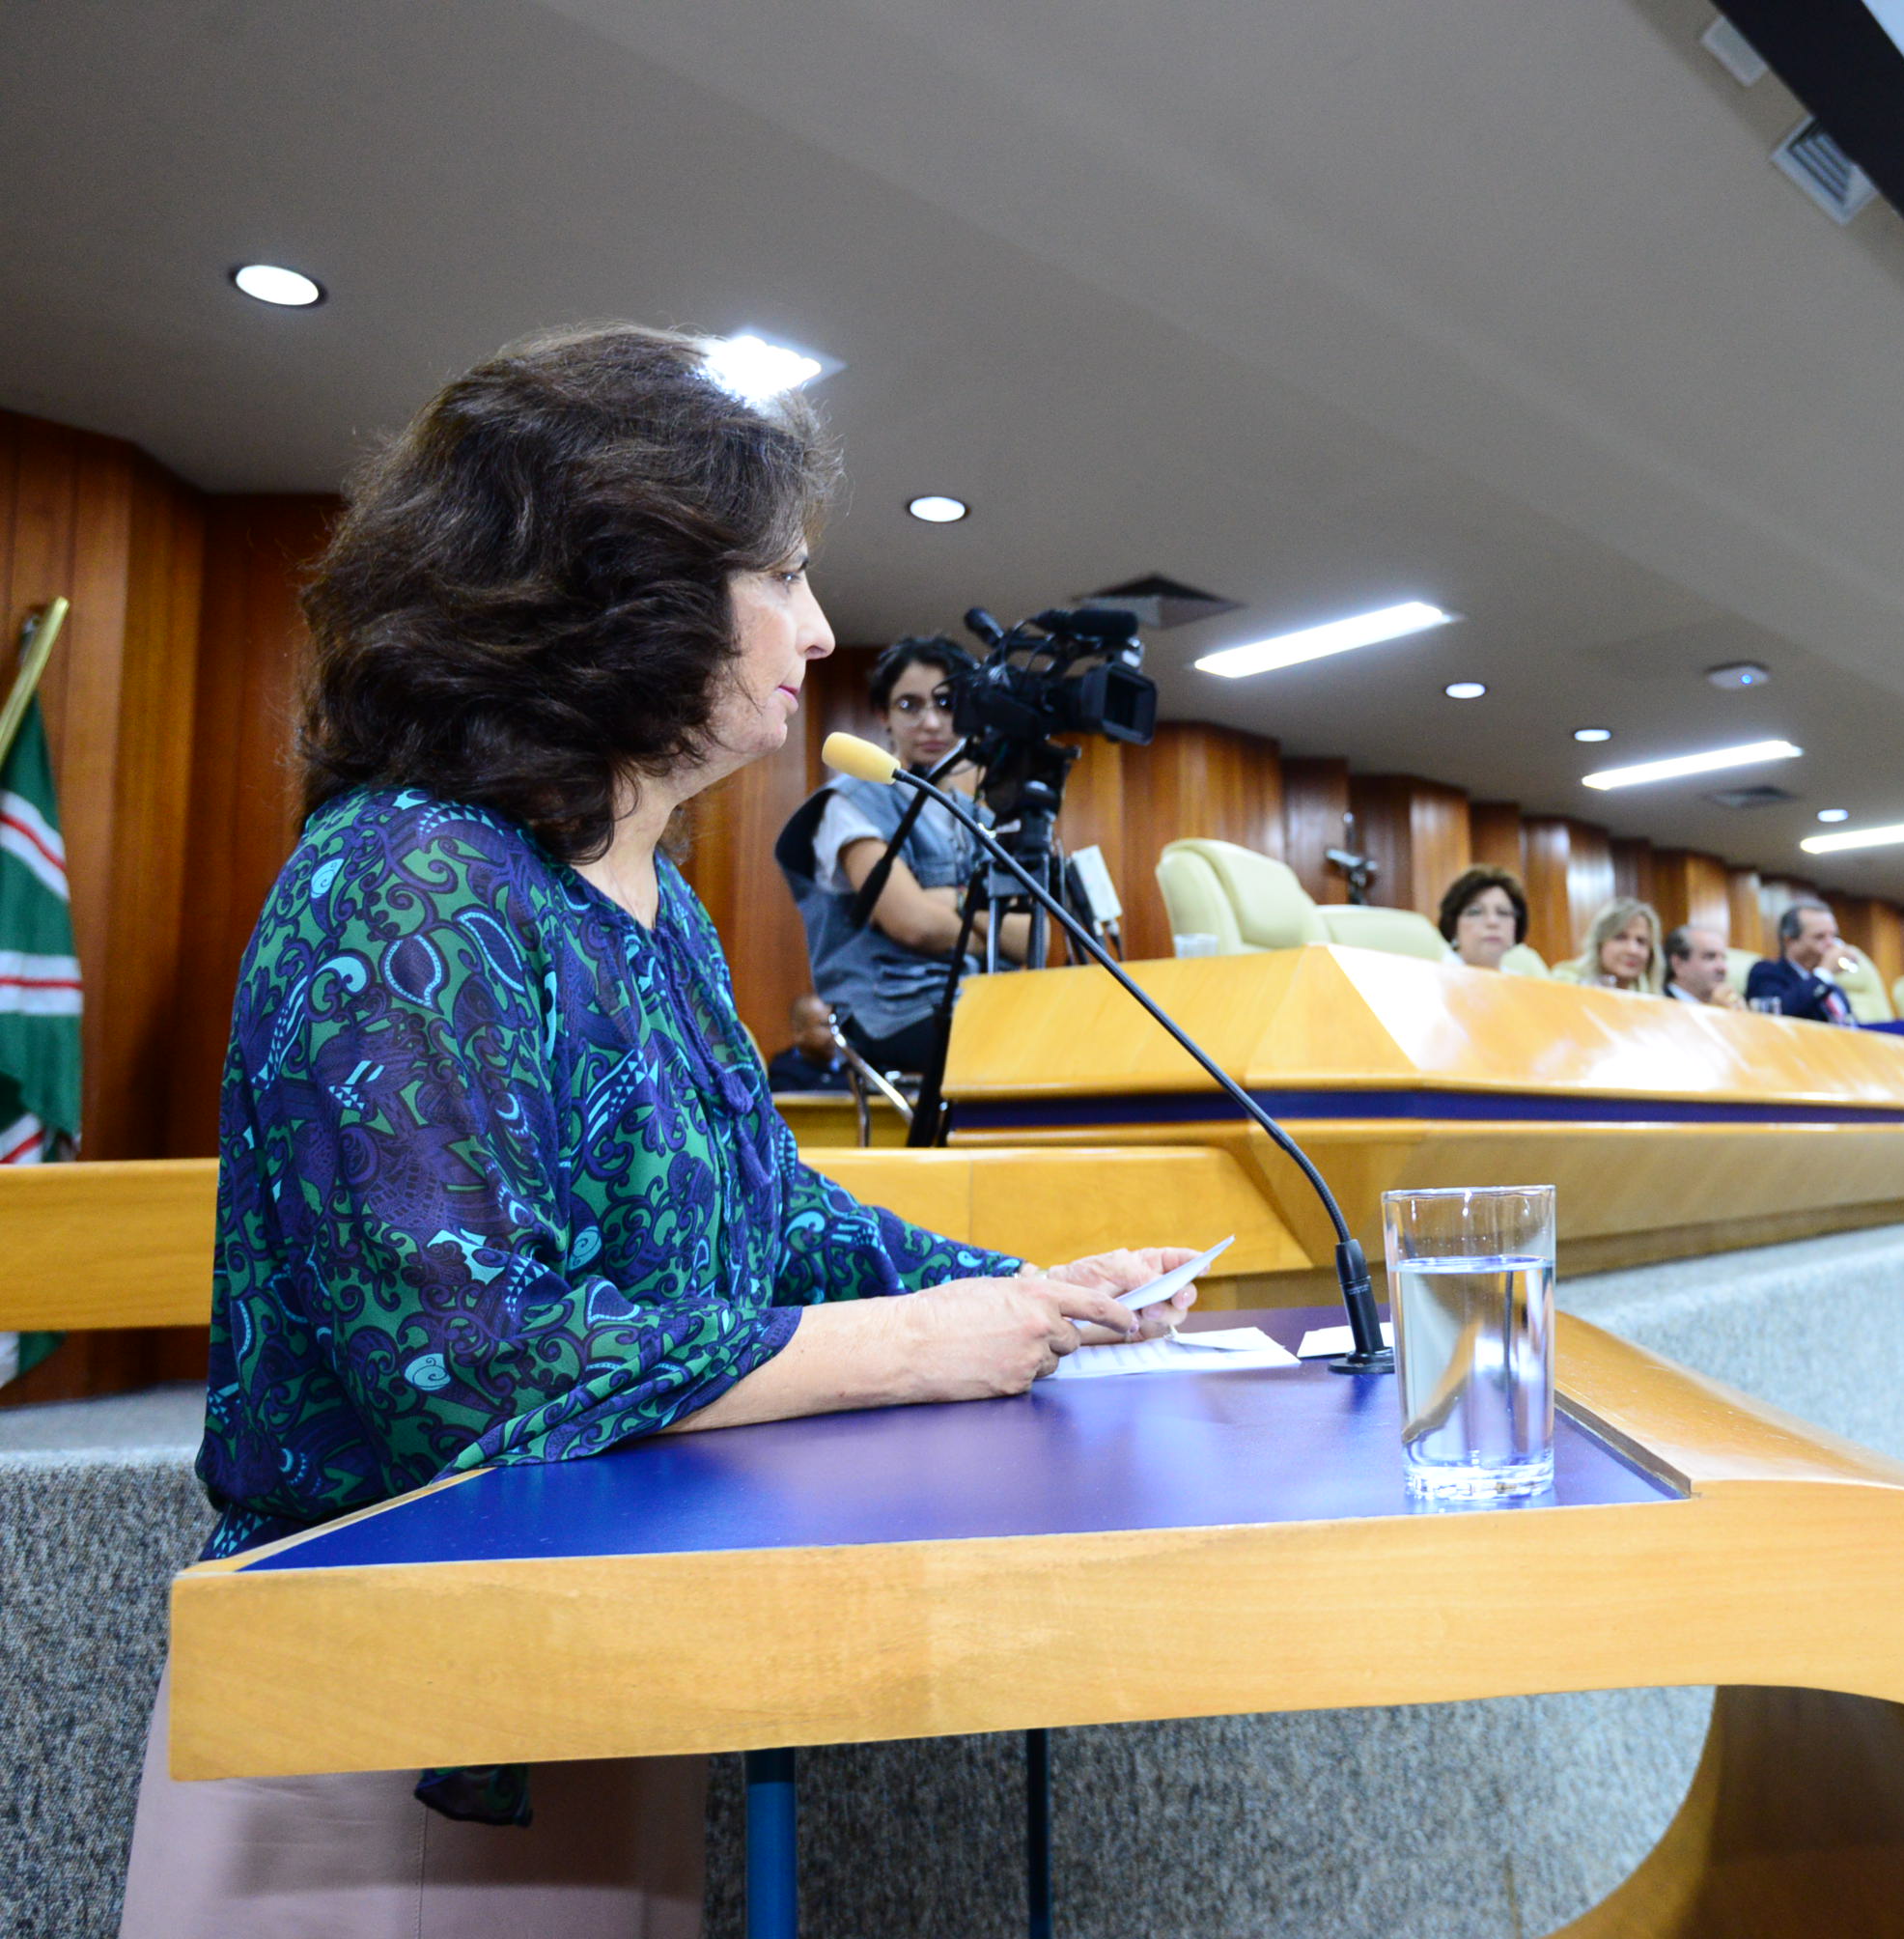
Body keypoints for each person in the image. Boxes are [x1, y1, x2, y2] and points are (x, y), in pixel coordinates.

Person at [119, 324, 1199, 1937]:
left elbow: (776, 1218)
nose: (818, 630)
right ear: (620, 588)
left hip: (603, 1662)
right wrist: (911, 1345)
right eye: (783, 576)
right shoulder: (405, 877)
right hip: (381, 1731)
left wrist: (1034, 1294)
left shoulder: (658, 907)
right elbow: (467, 1364)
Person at [791, 632, 1022, 1078]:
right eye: (909, 705)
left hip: (984, 998)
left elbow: (1033, 938)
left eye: (946, 704)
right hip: (894, 1010)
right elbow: (912, 924)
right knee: (1028, 1049)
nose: (931, 722)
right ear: (884, 715)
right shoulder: (851, 801)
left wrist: (949, 901)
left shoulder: (979, 816)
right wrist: (982, 917)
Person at [1744, 902, 1857, 1024]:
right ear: (1789, 941)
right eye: (1820, 937)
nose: (1831, 944)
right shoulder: (1766, 972)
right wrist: (1824, 971)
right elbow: (1778, 1013)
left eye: (1833, 936)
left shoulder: (1832, 987)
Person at [1556, 896, 1660, 994]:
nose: (1632, 950)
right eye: (1621, 937)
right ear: (1599, 943)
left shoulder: (1652, 996)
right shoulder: (1565, 984)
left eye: (1641, 941)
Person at [1437, 863, 1529, 972]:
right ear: (1453, 926)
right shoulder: (1431, 979)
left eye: (1503, 912)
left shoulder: (1522, 981)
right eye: (1476, 912)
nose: (1493, 922)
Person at [767, 993, 855, 1093]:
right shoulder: (784, 1072)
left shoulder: (852, 1064)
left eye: (836, 1024)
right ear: (799, 1031)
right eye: (825, 1025)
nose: (834, 1032)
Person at [1663, 923, 1739, 1008]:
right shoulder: (1659, 1003)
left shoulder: (1728, 1004)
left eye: (1723, 958)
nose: (1722, 968)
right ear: (1678, 964)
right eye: (1710, 957)